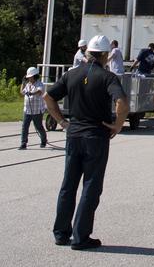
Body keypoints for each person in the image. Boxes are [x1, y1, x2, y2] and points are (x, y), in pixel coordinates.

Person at [43, 34, 128, 250]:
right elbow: (121, 102)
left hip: (74, 134)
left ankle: (61, 233)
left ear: (87, 52)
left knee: (68, 185)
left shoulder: (71, 74)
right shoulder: (108, 77)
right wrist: (117, 125)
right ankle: (81, 237)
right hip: (96, 137)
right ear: (106, 56)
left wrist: (62, 121)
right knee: (91, 186)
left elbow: (48, 97)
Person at [19, 67, 48, 149]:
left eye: (30, 77)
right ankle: (23, 143)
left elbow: (39, 91)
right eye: (28, 77)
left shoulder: (39, 84)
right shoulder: (27, 84)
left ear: (35, 76)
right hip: (27, 110)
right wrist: (23, 83)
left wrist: (32, 93)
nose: (29, 78)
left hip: (37, 111)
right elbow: (22, 92)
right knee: (25, 127)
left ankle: (44, 140)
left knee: (38, 126)